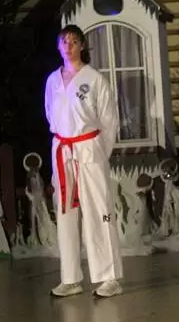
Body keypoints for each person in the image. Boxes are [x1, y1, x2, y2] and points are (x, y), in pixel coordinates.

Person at [45, 25, 124, 298]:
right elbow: (50, 113)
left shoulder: (95, 79)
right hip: (63, 150)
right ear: (58, 46)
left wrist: (100, 151)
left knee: (100, 211)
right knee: (65, 212)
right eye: (64, 41)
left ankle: (109, 277)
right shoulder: (53, 80)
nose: (68, 46)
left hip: (89, 148)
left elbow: (109, 121)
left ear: (82, 45)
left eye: (73, 41)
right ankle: (70, 278)